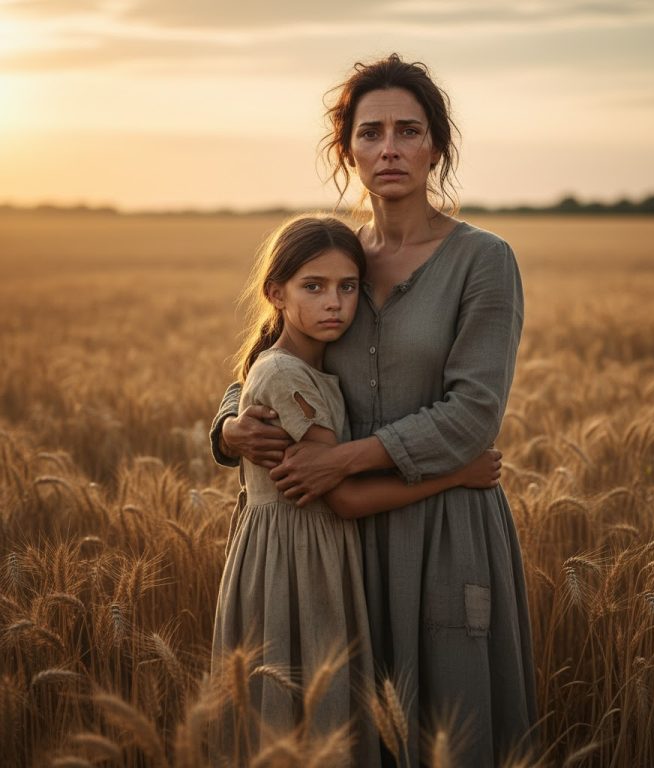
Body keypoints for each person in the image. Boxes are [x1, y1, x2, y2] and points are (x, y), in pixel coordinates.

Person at [211, 54, 539, 765]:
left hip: (448, 527)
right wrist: (230, 427)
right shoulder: (337, 261)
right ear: (347, 150)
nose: (389, 147)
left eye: (409, 130)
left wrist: (338, 459)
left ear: (437, 147)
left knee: (456, 731)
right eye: (370, 132)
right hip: (343, 544)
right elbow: (269, 357)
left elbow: (472, 416)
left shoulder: (484, 261)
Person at [211, 214, 503, 765]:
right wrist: (456, 474)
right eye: (314, 288)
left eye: (348, 288)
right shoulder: (288, 374)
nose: (335, 304)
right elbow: (340, 496)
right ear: (275, 292)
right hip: (298, 559)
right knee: (309, 716)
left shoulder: (307, 365)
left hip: (319, 553)